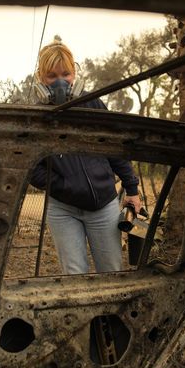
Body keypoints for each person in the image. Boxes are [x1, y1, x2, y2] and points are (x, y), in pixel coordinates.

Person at [30, 40, 141, 275]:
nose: (60, 81)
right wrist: (62, 185)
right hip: (62, 210)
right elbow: (31, 166)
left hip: (104, 205)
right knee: (74, 274)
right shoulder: (37, 116)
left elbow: (115, 147)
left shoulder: (93, 104)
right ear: (40, 77)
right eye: (52, 75)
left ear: (75, 73)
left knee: (111, 273)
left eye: (66, 73)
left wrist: (132, 189)